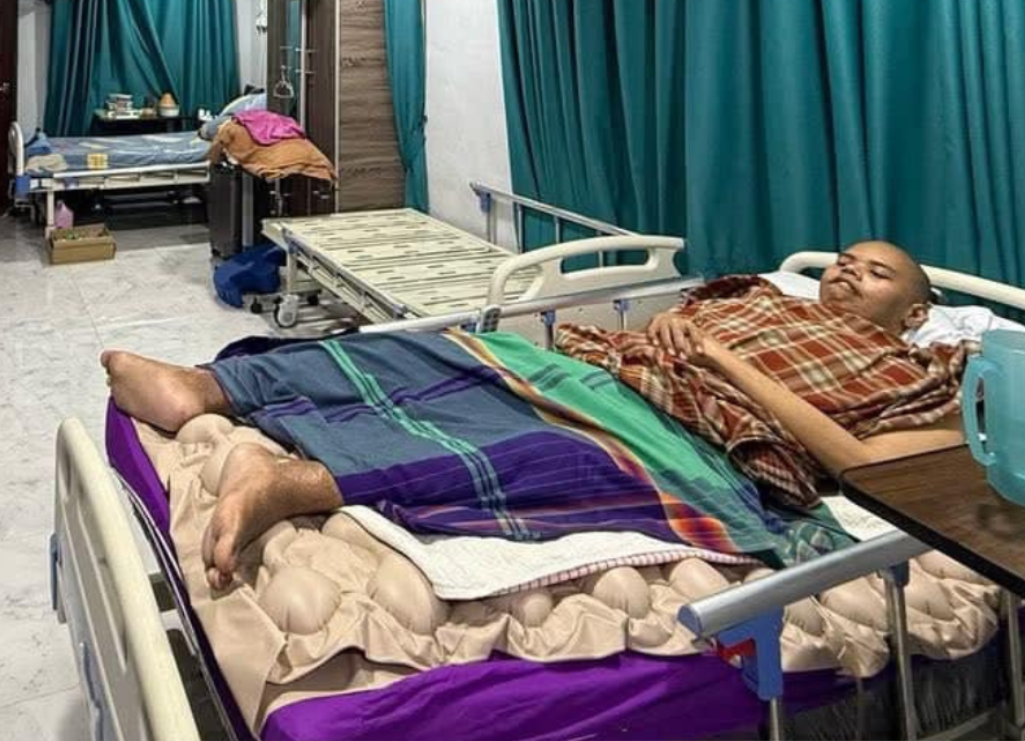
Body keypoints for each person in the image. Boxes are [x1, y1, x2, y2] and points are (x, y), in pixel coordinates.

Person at [103, 240, 964, 590]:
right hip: (613, 371)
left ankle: (294, 482)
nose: (846, 272)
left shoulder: (919, 378)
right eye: (843, 259)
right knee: (440, 351)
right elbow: (678, 327)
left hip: (698, 443)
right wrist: (684, 329)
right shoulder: (768, 301)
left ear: (917, 312)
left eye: (875, 273)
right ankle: (211, 388)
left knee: (538, 456)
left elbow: (860, 464)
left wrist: (718, 359)